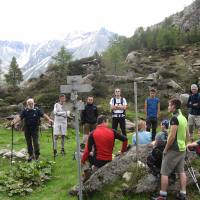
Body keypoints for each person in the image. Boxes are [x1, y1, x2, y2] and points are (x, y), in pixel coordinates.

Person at [152, 98, 189, 200]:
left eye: (169, 105)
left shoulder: (174, 119)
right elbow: (188, 135)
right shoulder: (183, 118)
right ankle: (183, 194)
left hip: (173, 149)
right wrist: (184, 145)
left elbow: (172, 136)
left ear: (173, 106)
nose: (168, 107)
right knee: (181, 171)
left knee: (164, 172)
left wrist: (165, 149)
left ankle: (162, 196)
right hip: (182, 149)